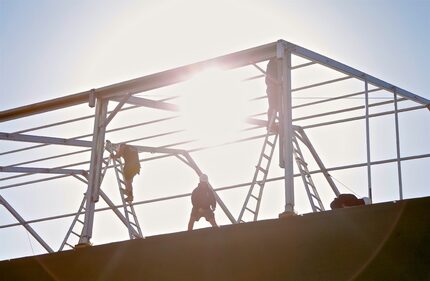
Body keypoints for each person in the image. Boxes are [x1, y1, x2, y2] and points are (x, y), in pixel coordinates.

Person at [265, 58, 281, 132]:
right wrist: (277, 82)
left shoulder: (279, 64)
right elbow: (269, 77)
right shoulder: (271, 64)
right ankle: (271, 124)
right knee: (273, 106)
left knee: (277, 106)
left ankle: (273, 123)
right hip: (272, 88)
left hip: (277, 88)